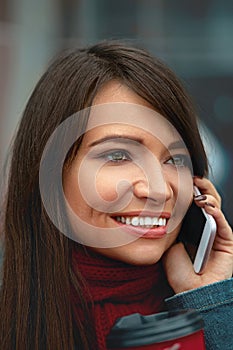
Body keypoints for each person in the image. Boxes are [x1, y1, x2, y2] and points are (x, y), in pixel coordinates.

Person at [0, 40, 232, 350]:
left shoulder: (215, 307)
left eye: (175, 159)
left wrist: (210, 301)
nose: (160, 190)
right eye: (119, 155)